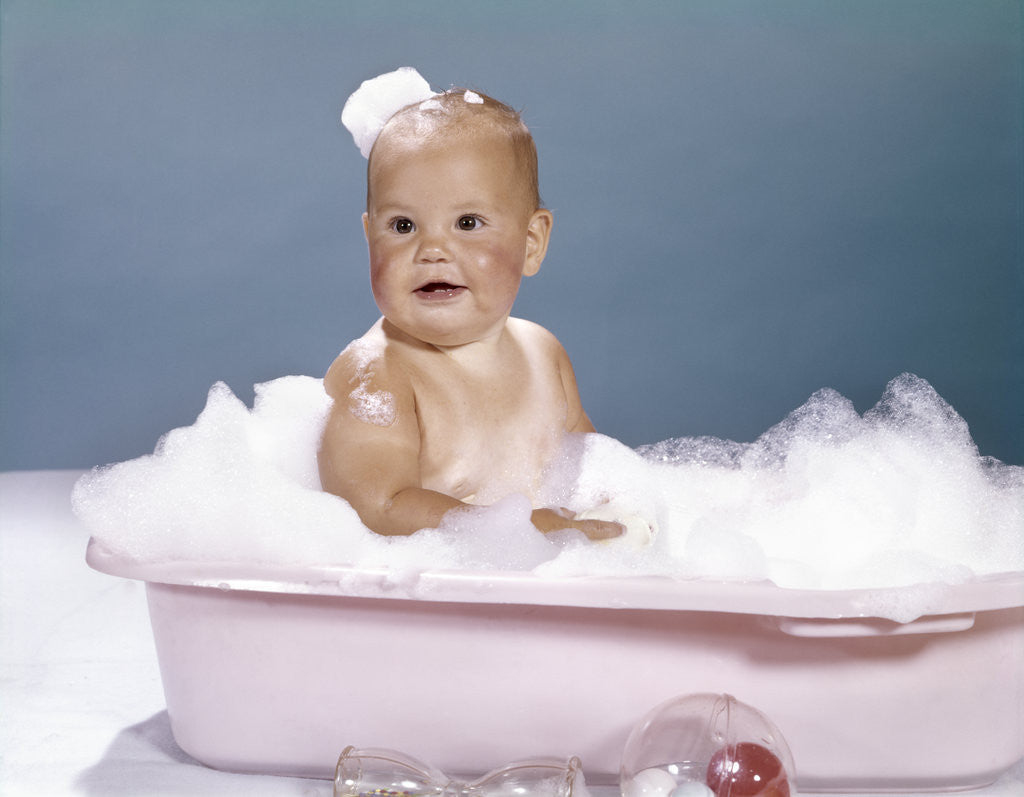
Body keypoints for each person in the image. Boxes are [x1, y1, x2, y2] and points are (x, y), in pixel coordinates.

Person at [318, 70, 622, 541]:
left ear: (531, 242)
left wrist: (613, 514)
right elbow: (376, 508)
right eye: (402, 226)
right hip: (421, 598)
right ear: (368, 237)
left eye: (467, 222)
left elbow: (593, 467)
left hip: (535, 589)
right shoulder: (380, 375)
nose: (432, 249)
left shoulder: (544, 354)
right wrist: (512, 529)